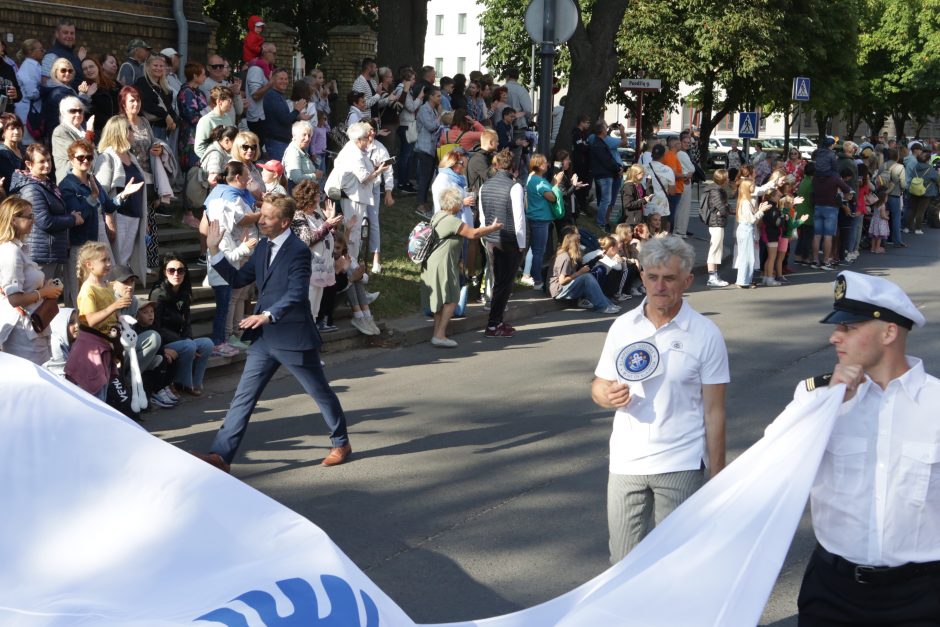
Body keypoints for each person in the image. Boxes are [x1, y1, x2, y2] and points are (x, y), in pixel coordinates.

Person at [793, 270, 939, 625]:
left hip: (923, 596)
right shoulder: (815, 396)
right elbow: (776, 470)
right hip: (833, 591)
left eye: (849, 328)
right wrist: (830, 405)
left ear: (889, 332)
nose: (834, 337)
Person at [591, 235, 729, 562]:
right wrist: (606, 395)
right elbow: (599, 383)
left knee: (675, 566)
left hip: (681, 461)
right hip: (627, 462)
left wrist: (720, 479)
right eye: (652, 277)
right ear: (642, 278)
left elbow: (715, 412)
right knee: (621, 565)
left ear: (687, 280)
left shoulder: (705, 334)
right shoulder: (623, 327)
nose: (660, 286)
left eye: (669, 278)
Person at [196, 193, 353, 472]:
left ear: (284, 222)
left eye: (267, 217)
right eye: (262, 215)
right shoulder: (262, 247)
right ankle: (221, 456)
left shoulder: (299, 251)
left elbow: (295, 294)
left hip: (292, 336)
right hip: (264, 339)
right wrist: (214, 250)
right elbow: (236, 279)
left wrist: (267, 315)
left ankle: (341, 441)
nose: (262, 220)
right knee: (243, 397)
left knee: (319, 392)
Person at [60, 138, 142, 305]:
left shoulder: (92, 179)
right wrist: (93, 197)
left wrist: (124, 194)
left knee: (100, 286)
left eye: (89, 157)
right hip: (79, 245)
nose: (85, 161)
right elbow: (78, 218)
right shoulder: (67, 185)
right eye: (80, 157)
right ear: (71, 159)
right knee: (80, 292)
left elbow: (109, 206)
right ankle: (79, 328)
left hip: (97, 240)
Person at [423, 187, 501, 348]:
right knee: (452, 299)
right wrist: (492, 228)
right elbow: (473, 234)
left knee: (440, 301)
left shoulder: (438, 215)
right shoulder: (452, 220)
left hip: (434, 263)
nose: (462, 204)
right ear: (454, 204)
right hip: (443, 264)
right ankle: (440, 335)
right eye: (460, 202)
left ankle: (437, 333)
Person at [203, 161, 258, 357]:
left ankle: (226, 339)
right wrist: (244, 247)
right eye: (246, 175)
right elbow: (226, 256)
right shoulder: (221, 232)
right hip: (223, 275)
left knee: (228, 305)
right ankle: (220, 341)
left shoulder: (225, 230)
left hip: (230, 271)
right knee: (223, 308)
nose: (249, 179)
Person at [0, 196, 62, 364]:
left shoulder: (20, 248)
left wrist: (44, 287)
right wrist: (44, 292)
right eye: (29, 216)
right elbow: (14, 298)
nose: (33, 220)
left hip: (32, 328)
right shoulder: (10, 252)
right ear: (13, 220)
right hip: (22, 332)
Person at [8, 144, 77, 283]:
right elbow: (44, 221)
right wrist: (72, 219)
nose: (47, 164)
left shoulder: (46, 184)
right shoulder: (31, 189)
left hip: (51, 251)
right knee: (40, 298)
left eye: (49, 160)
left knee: (50, 296)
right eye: (42, 161)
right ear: (29, 164)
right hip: (42, 253)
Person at [149, 253, 214, 396]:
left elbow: (187, 322)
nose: (176, 274)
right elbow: (156, 326)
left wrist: (188, 338)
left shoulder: (184, 293)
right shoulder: (158, 294)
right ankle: (183, 383)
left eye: (180, 270)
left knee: (207, 343)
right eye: (171, 270)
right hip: (163, 342)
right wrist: (184, 342)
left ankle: (196, 383)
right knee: (189, 346)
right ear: (165, 273)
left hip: (180, 340)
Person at [70, 241, 129, 400]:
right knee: (95, 393)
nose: (109, 263)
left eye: (109, 259)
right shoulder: (88, 289)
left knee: (103, 388)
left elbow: (112, 315)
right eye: (104, 260)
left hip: (107, 344)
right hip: (92, 348)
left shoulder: (107, 286)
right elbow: (90, 320)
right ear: (89, 265)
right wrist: (114, 306)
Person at [478, 149, 525, 339]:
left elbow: (482, 216)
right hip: (509, 240)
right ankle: (493, 323)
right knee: (504, 284)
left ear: (496, 165)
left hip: (490, 239)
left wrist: (485, 235)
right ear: (512, 166)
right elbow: (519, 218)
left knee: (498, 281)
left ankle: (496, 321)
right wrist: (521, 243)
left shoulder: (484, 186)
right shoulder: (515, 187)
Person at [94, 114, 148, 277]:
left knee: (125, 261)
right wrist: (109, 219)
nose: (133, 132)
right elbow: (101, 193)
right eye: (130, 129)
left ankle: (124, 297)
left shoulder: (131, 157)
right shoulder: (107, 157)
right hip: (119, 217)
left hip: (134, 215)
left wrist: (144, 219)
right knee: (116, 263)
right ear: (120, 132)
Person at [290, 180, 341, 322]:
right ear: (310, 197)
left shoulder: (317, 216)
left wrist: (329, 221)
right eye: (318, 193)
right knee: (307, 306)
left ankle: (311, 336)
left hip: (323, 268)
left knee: (315, 310)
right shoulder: (298, 216)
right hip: (309, 269)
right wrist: (327, 224)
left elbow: (328, 237)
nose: (321, 196)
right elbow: (307, 240)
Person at [548, 231, 619, 313]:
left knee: (588, 276)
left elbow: (582, 268)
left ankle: (608, 304)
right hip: (558, 290)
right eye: (578, 242)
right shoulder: (565, 258)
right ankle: (603, 306)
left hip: (566, 286)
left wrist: (597, 258)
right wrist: (580, 273)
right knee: (587, 277)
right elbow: (562, 281)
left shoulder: (570, 256)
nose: (580, 245)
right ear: (574, 244)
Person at [522, 153, 564, 290]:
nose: (547, 164)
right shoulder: (538, 181)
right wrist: (556, 184)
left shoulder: (536, 179)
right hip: (540, 218)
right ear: (539, 165)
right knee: (539, 250)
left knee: (537, 249)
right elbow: (551, 197)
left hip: (538, 218)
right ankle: (537, 280)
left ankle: (533, 276)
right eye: (545, 162)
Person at [263, 69, 307, 160]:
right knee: (279, 172)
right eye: (281, 79)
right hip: (276, 142)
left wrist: (297, 117)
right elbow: (285, 120)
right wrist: (296, 110)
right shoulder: (272, 96)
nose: (284, 81)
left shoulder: (279, 95)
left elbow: (283, 118)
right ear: (273, 80)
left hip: (281, 141)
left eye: (286, 79)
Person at [134, 54, 177, 145]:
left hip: (164, 129)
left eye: (161, 66)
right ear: (148, 67)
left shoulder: (164, 86)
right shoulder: (142, 82)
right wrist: (165, 115)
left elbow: (168, 106)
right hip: (149, 128)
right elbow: (146, 104)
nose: (158, 68)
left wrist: (174, 120)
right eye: (155, 65)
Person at [50, 95, 94, 183]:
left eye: (80, 111)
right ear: (63, 113)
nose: (77, 114)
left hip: (86, 179)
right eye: (73, 111)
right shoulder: (60, 131)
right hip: (70, 182)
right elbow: (80, 153)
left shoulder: (82, 132)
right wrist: (89, 133)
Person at [414, 86, 443, 217]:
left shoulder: (433, 110)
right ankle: (420, 204)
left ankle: (424, 201)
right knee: (424, 177)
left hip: (431, 148)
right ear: (431, 96)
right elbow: (431, 126)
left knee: (428, 176)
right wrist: (440, 117)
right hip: (424, 147)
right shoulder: (424, 109)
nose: (440, 98)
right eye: (438, 96)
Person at [701, 169, 731, 287]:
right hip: (716, 222)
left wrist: (724, 209)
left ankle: (714, 275)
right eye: (727, 178)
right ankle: (712, 277)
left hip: (717, 221)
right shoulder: (716, 191)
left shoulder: (715, 189)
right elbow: (722, 207)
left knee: (717, 249)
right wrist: (725, 210)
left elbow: (723, 207)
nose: (729, 180)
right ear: (722, 179)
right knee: (714, 250)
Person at [176, 62, 207, 171]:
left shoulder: (199, 92)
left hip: (201, 134)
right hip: (190, 136)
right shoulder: (186, 92)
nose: (205, 77)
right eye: (203, 74)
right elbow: (192, 116)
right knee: (192, 169)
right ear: (195, 76)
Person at [80, 57, 118, 139]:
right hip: (100, 133)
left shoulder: (112, 84)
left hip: (117, 129)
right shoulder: (84, 89)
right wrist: (88, 95)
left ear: (98, 67)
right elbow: (88, 113)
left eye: (91, 66)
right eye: (85, 69)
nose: (89, 70)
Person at [41, 20, 84, 87]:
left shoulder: (73, 55)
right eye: (65, 33)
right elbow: (45, 82)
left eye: (72, 33)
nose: (69, 36)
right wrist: (67, 88)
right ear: (57, 34)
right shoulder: (52, 55)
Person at [282, 120, 318, 190]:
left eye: (309, 135)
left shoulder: (301, 150)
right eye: (304, 135)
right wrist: (315, 175)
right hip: (297, 197)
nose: (307, 138)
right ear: (294, 136)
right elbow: (297, 178)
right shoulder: (293, 152)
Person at [0, 113, 25, 193]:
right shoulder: (3, 153)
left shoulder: (24, 150)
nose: (16, 132)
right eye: (12, 128)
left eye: (18, 128)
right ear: (4, 132)